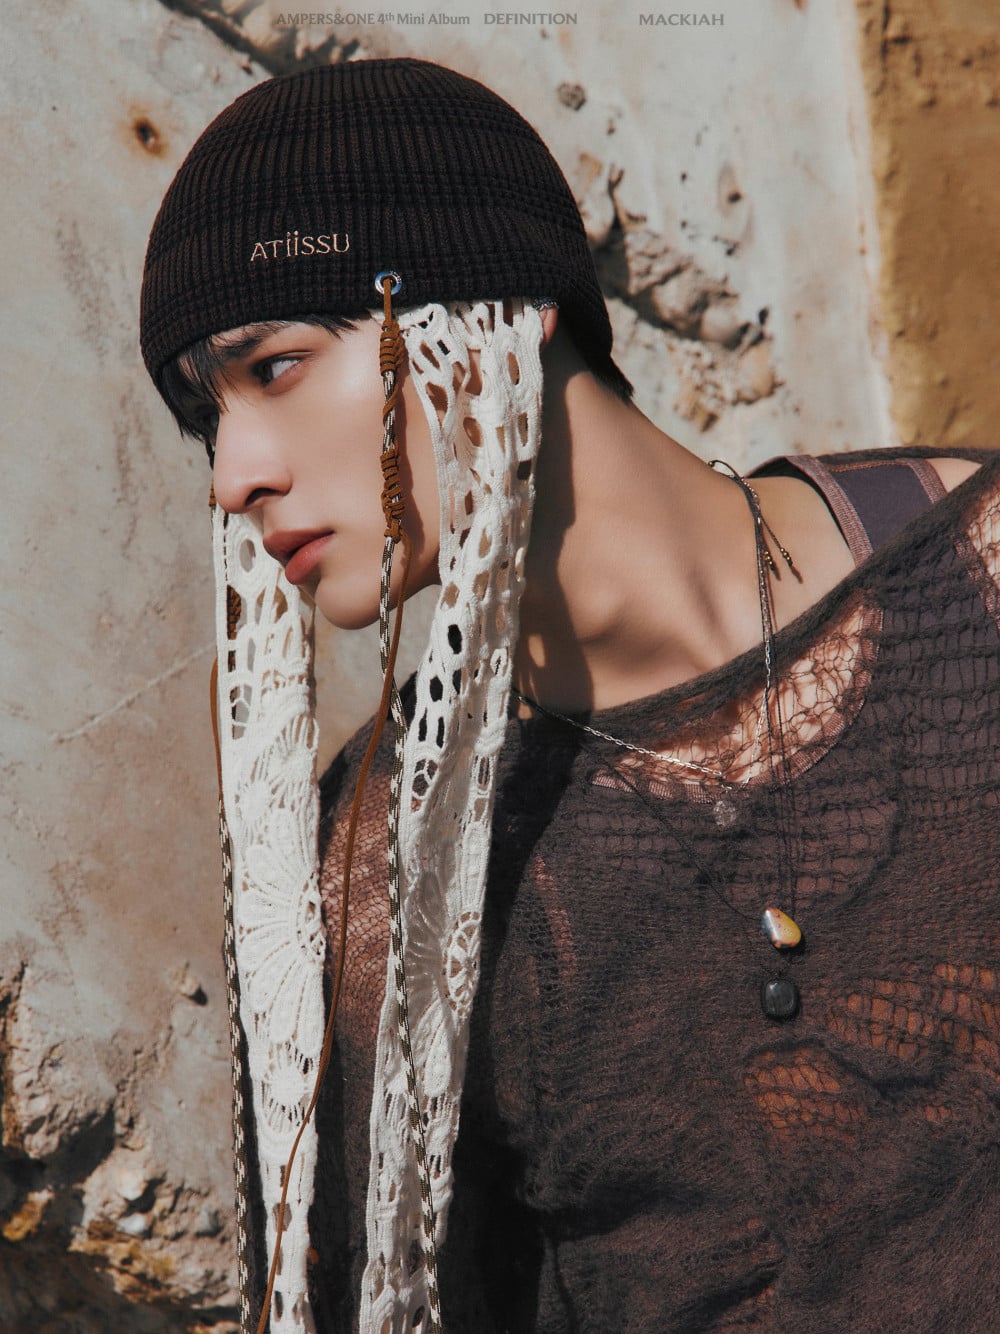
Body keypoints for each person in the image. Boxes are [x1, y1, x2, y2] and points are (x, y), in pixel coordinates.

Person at [140, 57, 1000, 1334]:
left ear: (504, 308)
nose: (234, 474)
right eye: (204, 419)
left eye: (273, 366)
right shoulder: (379, 873)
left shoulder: (980, 579)